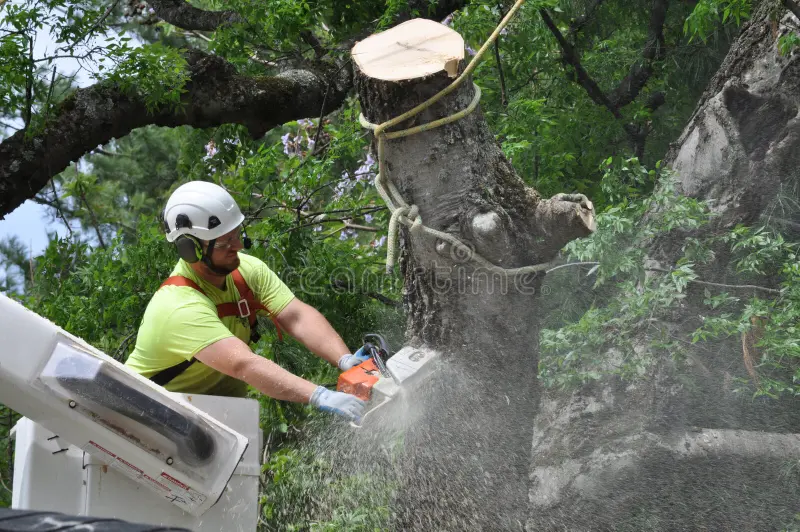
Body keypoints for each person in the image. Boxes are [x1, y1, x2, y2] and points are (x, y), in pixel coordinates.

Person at [125, 181, 369, 422]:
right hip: (145, 415)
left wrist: (345, 360)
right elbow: (243, 364)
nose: (238, 246)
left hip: (210, 412)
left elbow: (296, 316)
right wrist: (320, 396)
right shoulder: (179, 306)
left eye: (236, 235)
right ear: (191, 249)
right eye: (225, 242)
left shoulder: (246, 271)